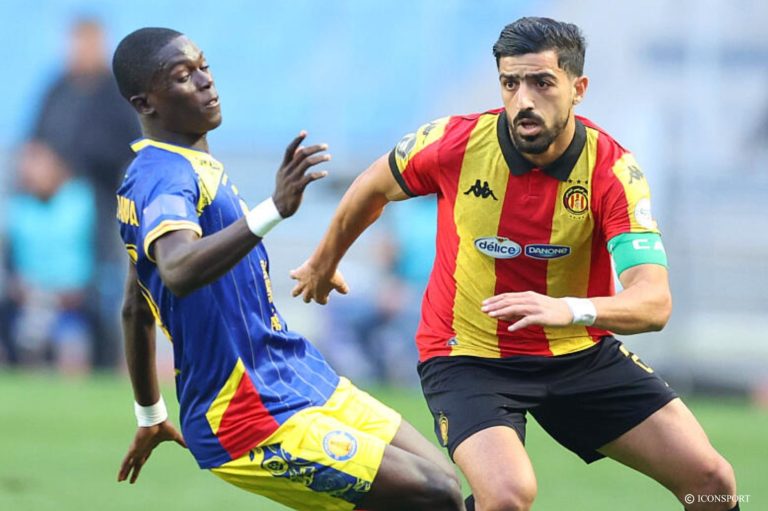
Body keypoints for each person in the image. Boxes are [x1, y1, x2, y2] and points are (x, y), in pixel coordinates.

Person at [290, 17, 739, 511]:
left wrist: (569, 309)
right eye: (510, 83)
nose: (523, 99)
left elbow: (654, 302)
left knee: (713, 482)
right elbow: (373, 186)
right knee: (507, 495)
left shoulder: (612, 170)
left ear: (578, 88)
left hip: (578, 354)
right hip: (468, 357)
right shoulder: (455, 143)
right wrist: (324, 261)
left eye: (542, 83)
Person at [110, 27, 463, 511]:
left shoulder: (187, 168)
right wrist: (273, 209)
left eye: (204, 66)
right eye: (183, 76)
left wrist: (150, 414)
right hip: (245, 414)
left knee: (442, 482)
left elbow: (136, 305)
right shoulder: (163, 176)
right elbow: (176, 269)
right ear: (145, 103)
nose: (206, 81)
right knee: (435, 494)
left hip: (295, 374)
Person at [32, 17, 141, 369]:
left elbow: (128, 148)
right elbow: (36, 138)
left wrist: (71, 169)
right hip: (51, 209)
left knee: (101, 288)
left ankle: (104, 357)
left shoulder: (117, 94)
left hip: (100, 206)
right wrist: (40, 168)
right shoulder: (57, 88)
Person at [0, 140, 95, 372]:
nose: (29, 172)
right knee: (26, 338)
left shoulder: (81, 201)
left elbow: (100, 254)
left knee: (72, 349)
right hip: (30, 300)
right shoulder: (18, 208)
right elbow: (10, 263)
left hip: (73, 301)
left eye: (37, 164)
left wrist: (78, 292)